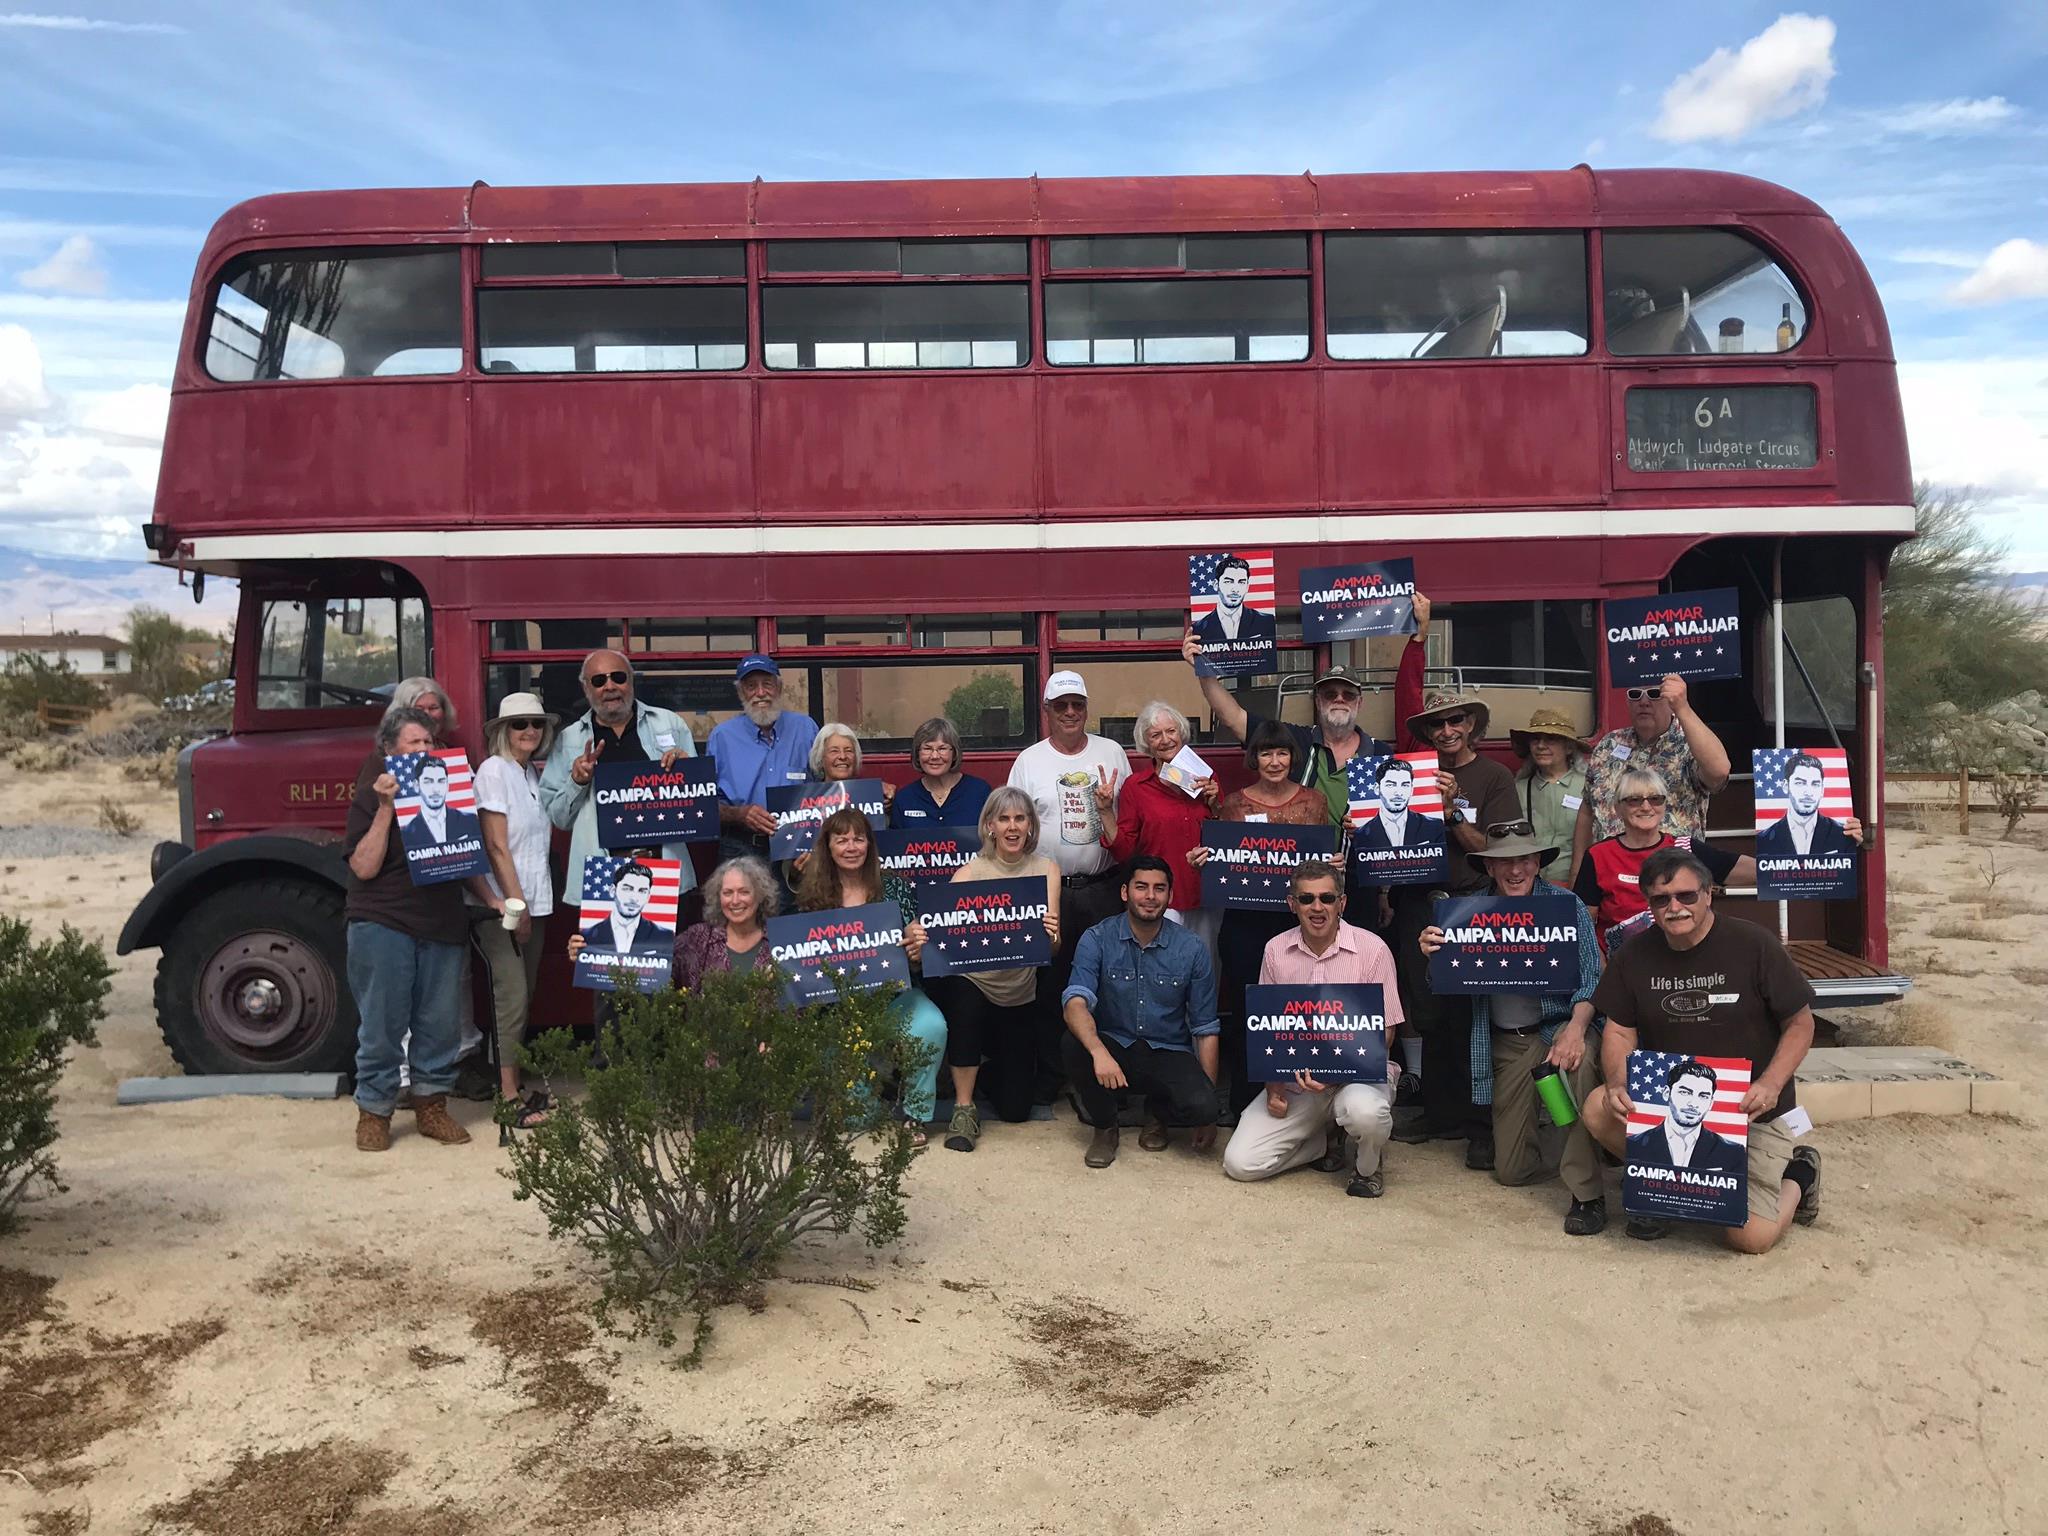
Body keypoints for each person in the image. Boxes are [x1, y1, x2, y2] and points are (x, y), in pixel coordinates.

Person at [1580, 847, 1823, 1251]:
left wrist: (1770, 1083)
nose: (1674, 908)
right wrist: (1618, 1081)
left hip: (1752, 1112)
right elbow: (1619, 1031)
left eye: (1686, 895)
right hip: (1670, 1106)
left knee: (1750, 1238)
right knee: (1597, 1106)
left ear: (1709, 893)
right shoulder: (1633, 955)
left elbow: (1800, 1023)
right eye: (1661, 899)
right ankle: (1663, 1192)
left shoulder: (1754, 944)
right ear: (1649, 904)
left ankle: (1800, 1172)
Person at [1418, 820, 1606, 1233]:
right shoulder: (1466, 912)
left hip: (1560, 1026)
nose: (1515, 869)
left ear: (1538, 863)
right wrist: (1435, 958)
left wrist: (1576, 1030)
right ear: (1489, 868)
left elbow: (1593, 978)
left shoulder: (1566, 905)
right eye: (1504, 862)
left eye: (1524, 859)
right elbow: (1444, 987)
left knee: (1579, 1069)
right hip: (1509, 1043)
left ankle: (1587, 1194)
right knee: (1512, 1171)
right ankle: (1568, 1140)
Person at [1221, 861, 1403, 1198]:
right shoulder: (1275, 950)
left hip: (1359, 1076)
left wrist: (1335, 1072)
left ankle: (1367, 1166)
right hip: (1298, 1080)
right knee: (1240, 1163)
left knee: (1365, 1113)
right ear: (1292, 904)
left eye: (1327, 898)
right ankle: (1321, 1141)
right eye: (1306, 899)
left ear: (1342, 903)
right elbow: (1269, 1029)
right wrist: (1273, 1086)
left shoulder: (1373, 949)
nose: (1317, 907)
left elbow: (1387, 1032)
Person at [1389, 687, 1520, 1151]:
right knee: (1428, 1010)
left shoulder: (1494, 776)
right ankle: (1439, 1113)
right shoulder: (1404, 774)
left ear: (1471, 726)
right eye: (1437, 724)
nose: (1446, 731)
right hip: (1417, 901)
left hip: (1472, 902)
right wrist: (1363, 828)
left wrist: (1451, 814)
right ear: (1427, 731)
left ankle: (1480, 1123)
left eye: (1456, 721)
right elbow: (1389, 839)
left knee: (1473, 1013)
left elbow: (1498, 850)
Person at [343, 705, 472, 1152]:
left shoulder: (450, 789)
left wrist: (494, 899)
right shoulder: (370, 792)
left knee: (440, 1024)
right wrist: (386, 808)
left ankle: (432, 1106)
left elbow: (468, 853)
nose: (423, 749)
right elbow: (363, 867)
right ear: (389, 750)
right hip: (384, 919)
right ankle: (374, 1111)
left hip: (441, 920)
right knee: (382, 1023)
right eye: (413, 742)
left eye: (429, 742)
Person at [1186, 719, 1330, 1117]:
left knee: (1298, 1009)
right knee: (1248, 1009)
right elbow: (1225, 860)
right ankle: (1244, 1101)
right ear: (1255, 758)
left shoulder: (1315, 802)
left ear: (1292, 757)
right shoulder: (1234, 804)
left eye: (1282, 752)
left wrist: (1332, 863)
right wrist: (1205, 863)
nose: (1275, 761)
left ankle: (1303, 1098)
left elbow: (1320, 863)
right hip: (1245, 922)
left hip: (1297, 923)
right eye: (1266, 753)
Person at [795, 805, 949, 1148]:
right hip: (837, 1009)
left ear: (870, 844)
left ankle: (916, 1112)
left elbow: (916, 955)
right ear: (828, 846)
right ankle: (871, 1089)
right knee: (856, 1120)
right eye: (842, 840)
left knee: (931, 1025)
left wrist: (917, 949)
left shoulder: (894, 887)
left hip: (894, 997)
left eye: (859, 839)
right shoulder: (813, 896)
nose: (851, 847)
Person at [1006, 670, 1130, 1082]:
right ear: (1047, 711)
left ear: (1087, 709)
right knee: (1049, 984)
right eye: (1061, 706)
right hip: (1047, 891)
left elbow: (1131, 821)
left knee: (1109, 982)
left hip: (1103, 887)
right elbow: (1013, 827)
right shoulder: (1029, 761)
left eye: (1078, 704)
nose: (1070, 712)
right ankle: (1054, 1078)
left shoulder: (1112, 752)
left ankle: (1106, 1073)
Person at [1060, 856, 1221, 1168]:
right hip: (1114, 1047)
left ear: (1170, 895)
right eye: (1141, 887)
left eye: (1159, 889)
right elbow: (1075, 1003)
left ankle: (1158, 1114)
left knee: (1204, 1106)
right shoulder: (1097, 938)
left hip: (1167, 1050)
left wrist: (1210, 1112)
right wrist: (1099, 1052)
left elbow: (1206, 1029)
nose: (1150, 896)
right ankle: (1105, 1127)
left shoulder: (1191, 948)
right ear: (1125, 892)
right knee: (1073, 1043)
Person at [925, 786, 1060, 1151]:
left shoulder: (1047, 870)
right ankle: (963, 1108)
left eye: (1020, 818)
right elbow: (940, 931)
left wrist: (1051, 934)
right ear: (990, 826)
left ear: (1031, 826)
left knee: (1016, 1110)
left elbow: (1054, 947)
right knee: (963, 1002)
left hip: (1019, 990)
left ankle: (982, 1071)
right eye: (1004, 819)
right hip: (974, 981)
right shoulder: (970, 872)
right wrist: (919, 932)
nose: (1012, 827)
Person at [538, 649, 699, 922]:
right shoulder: (569, 739)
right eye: (599, 680)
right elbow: (559, 818)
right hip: (602, 872)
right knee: (609, 950)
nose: (610, 686)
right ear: (586, 688)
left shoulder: (670, 723)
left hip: (663, 865)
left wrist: (688, 773)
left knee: (666, 950)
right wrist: (577, 781)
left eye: (618, 677)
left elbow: (698, 807)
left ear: (631, 681)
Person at [473, 691, 558, 1134]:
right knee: (511, 996)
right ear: (503, 731)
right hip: (504, 905)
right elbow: (495, 845)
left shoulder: (531, 773)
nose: (529, 731)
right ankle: (506, 1097)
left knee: (525, 995)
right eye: (519, 724)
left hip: (535, 901)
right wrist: (516, 904)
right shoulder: (494, 771)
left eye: (536, 724)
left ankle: (516, 1084)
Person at [1574, 767, 1749, 953]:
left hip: (1681, 958)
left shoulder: (1685, 848)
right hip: (1620, 961)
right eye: (1634, 800)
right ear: (1618, 808)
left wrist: (1773, 857)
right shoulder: (1598, 855)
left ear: (1664, 806)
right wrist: (1602, 967)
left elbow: (1752, 870)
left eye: (1655, 799)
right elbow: (1582, 924)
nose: (1646, 807)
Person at [1572, 674, 1732, 873]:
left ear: (1670, 700)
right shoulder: (1609, 744)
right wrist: (1577, 872)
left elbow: (1719, 771)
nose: (1644, 702)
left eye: (1654, 694)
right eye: (1635, 694)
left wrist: (1683, 708)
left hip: (1671, 877)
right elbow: (1587, 810)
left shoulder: (1690, 743)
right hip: (1610, 876)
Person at [1099, 700, 1221, 950]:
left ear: (1181, 733)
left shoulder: (1206, 777)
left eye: (1171, 731)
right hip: (1161, 897)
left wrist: (1217, 805)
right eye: (1156, 735)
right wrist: (1105, 811)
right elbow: (1124, 851)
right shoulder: (1136, 787)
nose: (1165, 740)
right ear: (1147, 743)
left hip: (1206, 892)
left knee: (1206, 963)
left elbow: (1226, 835)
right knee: (1162, 964)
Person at [707, 654, 820, 864]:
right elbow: (705, 805)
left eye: (767, 684)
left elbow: (829, 784)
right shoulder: (721, 737)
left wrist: (876, 790)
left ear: (779, 688)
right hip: (740, 847)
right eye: (751, 686)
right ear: (741, 692)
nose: (760, 693)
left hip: (798, 844)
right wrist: (739, 814)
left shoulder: (806, 729)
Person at [1509, 707, 1588, 886]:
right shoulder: (1518, 789)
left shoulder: (1588, 787)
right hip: (1529, 885)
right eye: (1536, 739)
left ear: (1569, 747)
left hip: (1579, 884)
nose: (1541, 746)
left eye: (1551, 739)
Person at [1624, 1059, 1747, 1173]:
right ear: (1667, 1093)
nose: (1693, 1104)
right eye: (1685, 1092)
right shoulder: (1634, 1144)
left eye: (1703, 1096)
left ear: (1711, 1103)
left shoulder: (1733, 1152)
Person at [672, 855, 777, 989]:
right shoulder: (696, 938)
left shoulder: (779, 941)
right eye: (727, 893)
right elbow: (658, 970)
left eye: (744, 892)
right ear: (718, 897)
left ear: (760, 895)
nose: (735, 901)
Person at [891, 716, 992, 829]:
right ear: (917, 754)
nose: (934, 756)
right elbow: (896, 839)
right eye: (927, 749)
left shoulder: (980, 792)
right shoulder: (904, 798)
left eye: (942, 749)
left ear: (954, 753)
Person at [1756, 753, 1862, 860]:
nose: (1808, 792)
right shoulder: (1763, 840)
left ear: (1822, 789)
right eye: (1800, 783)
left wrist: (1854, 843)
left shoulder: (1843, 834)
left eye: (1815, 784)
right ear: (1786, 786)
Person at [1350, 756, 1444, 855]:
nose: (1399, 793)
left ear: (1411, 789)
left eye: (1405, 785)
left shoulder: (1434, 826)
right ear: (1377, 789)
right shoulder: (1360, 834)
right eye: (1391, 785)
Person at [578, 860, 675, 955]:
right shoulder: (587, 936)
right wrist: (576, 954)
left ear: (648, 897)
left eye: (642, 891)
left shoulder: (665, 937)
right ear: (612, 891)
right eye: (627, 889)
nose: (634, 898)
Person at [397, 756, 481, 857]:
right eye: (428, 782)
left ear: (447, 785)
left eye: (441, 781)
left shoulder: (470, 821)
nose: (436, 789)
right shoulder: (407, 833)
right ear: (416, 785)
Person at [1191, 554, 1277, 648]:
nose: (1235, 589)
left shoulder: (1266, 621)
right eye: (1228, 582)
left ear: (1247, 587)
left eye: (1241, 582)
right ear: (1216, 585)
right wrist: (1189, 657)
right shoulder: (1198, 628)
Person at [389, 676, 458, 740]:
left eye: (433, 708)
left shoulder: (447, 747)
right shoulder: (392, 748)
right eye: (419, 709)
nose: (427, 714)